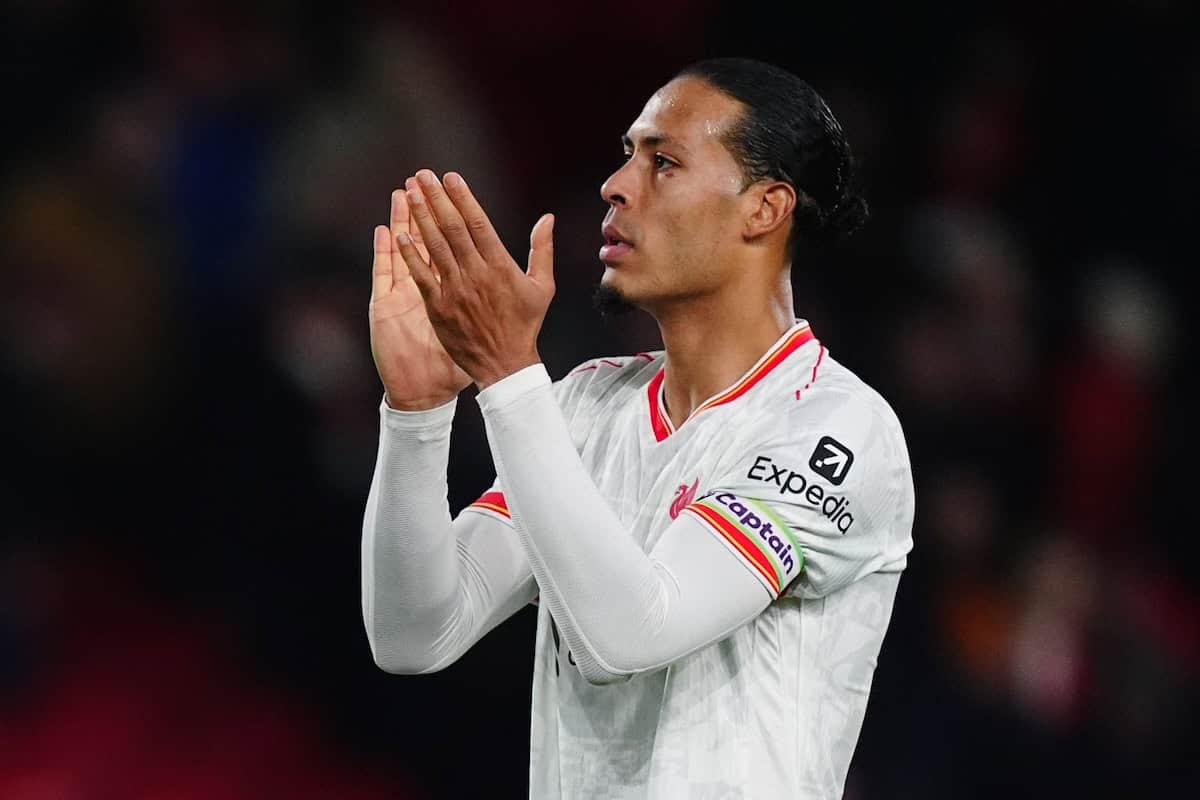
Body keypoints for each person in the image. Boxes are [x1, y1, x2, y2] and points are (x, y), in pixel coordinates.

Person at [362, 57, 914, 799]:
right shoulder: (585, 407)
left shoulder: (837, 428)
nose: (617, 185)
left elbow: (630, 634)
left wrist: (507, 374)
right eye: (628, 155)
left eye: (665, 162)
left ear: (765, 208)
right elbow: (413, 634)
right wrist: (419, 414)